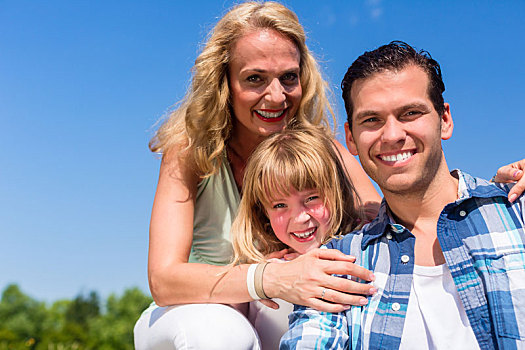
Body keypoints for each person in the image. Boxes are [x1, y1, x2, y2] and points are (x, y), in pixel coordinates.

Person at [134, 3, 382, 350]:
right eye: (255, 79)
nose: (277, 96)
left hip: (275, 315)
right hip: (192, 313)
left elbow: (381, 219)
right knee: (219, 333)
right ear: (224, 83)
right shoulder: (191, 151)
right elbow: (164, 280)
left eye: (288, 77)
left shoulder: (321, 150)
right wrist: (270, 277)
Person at [281, 41, 525, 349]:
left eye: (410, 113)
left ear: (444, 120)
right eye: (372, 120)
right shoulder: (338, 265)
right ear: (351, 139)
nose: (393, 135)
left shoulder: (518, 211)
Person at [229, 126, 365, 349]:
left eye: (312, 198)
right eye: (280, 205)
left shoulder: (359, 256)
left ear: (336, 192)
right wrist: (263, 278)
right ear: (263, 212)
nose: (300, 217)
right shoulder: (262, 269)